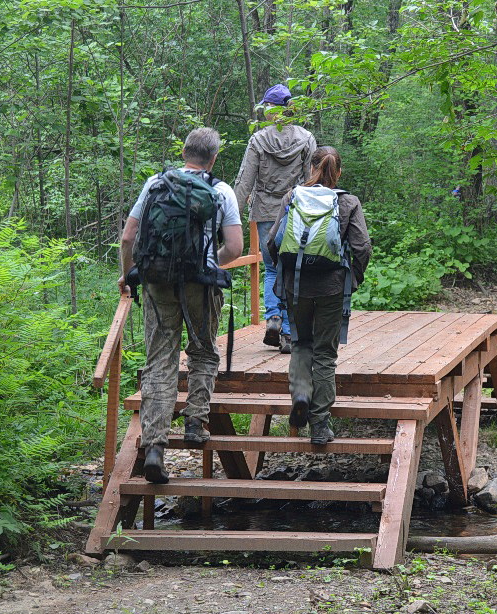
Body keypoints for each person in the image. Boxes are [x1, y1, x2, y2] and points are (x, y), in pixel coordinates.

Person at [118, 127, 243, 484]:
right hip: (200, 285)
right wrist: (207, 264)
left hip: (157, 281)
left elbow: (128, 236)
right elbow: (234, 248)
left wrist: (128, 275)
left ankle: (154, 446)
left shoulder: (156, 184)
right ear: (214, 157)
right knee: (203, 351)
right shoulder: (221, 191)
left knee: (160, 361)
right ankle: (195, 423)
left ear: (184, 152)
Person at [266, 146, 371, 444]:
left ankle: (300, 395)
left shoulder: (292, 196)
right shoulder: (348, 202)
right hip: (332, 287)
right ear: (338, 171)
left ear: (310, 167)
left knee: (300, 342)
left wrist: (282, 271)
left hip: (296, 285)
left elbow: (272, 241)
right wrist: (354, 278)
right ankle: (320, 426)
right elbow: (362, 247)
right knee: (325, 352)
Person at [234, 83, 317, 354]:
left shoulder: (258, 140)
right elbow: (310, 180)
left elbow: (245, 181)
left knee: (271, 269)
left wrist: (230, 217)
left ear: (270, 110)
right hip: (296, 212)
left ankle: (273, 318)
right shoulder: (306, 138)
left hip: (266, 211)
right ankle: (290, 334)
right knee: (293, 270)